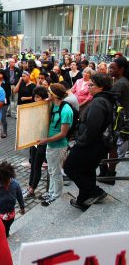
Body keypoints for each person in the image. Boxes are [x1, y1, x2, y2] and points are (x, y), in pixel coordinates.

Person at [64, 74, 115, 211]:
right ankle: (83, 199)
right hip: (99, 145)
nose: (88, 86)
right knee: (87, 170)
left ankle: (95, 191)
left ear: (101, 87)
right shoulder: (105, 99)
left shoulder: (98, 102)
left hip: (91, 145)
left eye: (91, 85)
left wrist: (79, 143)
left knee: (70, 167)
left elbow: (92, 128)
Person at [38, 83, 73, 207]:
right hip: (51, 144)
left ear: (54, 95)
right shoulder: (54, 103)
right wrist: (48, 100)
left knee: (56, 172)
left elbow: (63, 133)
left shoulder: (66, 110)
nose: (47, 94)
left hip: (58, 146)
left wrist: (46, 140)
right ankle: (51, 191)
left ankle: (56, 194)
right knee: (52, 171)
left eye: (49, 93)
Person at [22, 87, 49, 199]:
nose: (35, 99)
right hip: (34, 141)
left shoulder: (47, 108)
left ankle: (32, 189)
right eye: (35, 97)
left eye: (38, 97)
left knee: (37, 166)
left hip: (43, 141)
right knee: (33, 165)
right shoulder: (35, 107)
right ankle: (29, 187)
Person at [0, 161, 25, 237]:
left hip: (11, 213)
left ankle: (7, 234)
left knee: (7, 227)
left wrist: (22, 207)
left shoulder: (15, 184)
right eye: (4, 182)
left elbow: (19, 196)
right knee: (1, 229)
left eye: (8, 181)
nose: (7, 184)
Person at [0, 70, 11, 138]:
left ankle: (4, 131)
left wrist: (2, 97)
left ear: (3, 75)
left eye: (0, 74)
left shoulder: (6, 83)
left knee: (3, 117)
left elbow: (9, 93)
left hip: (4, 102)